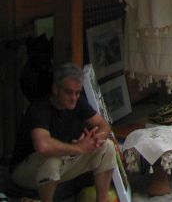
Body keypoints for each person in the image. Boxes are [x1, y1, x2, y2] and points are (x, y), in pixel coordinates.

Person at [10, 63, 116, 202]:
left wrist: (94, 139)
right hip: (25, 171)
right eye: (68, 92)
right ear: (55, 89)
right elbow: (43, 146)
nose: (74, 97)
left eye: (77, 93)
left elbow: (103, 125)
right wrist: (78, 148)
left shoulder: (77, 101)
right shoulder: (40, 108)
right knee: (52, 161)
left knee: (107, 146)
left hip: (64, 160)